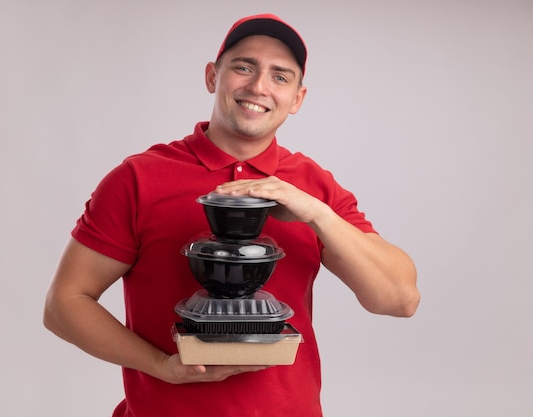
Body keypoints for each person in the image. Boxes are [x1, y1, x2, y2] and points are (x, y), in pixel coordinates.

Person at [43, 13, 419, 417]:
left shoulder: (314, 187)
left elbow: (398, 299)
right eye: (244, 67)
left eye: (280, 76)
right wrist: (162, 367)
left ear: (297, 99)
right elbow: (65, 304)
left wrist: (318, 215)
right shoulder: (138, 178)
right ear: (212, 77)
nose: (258, 86)